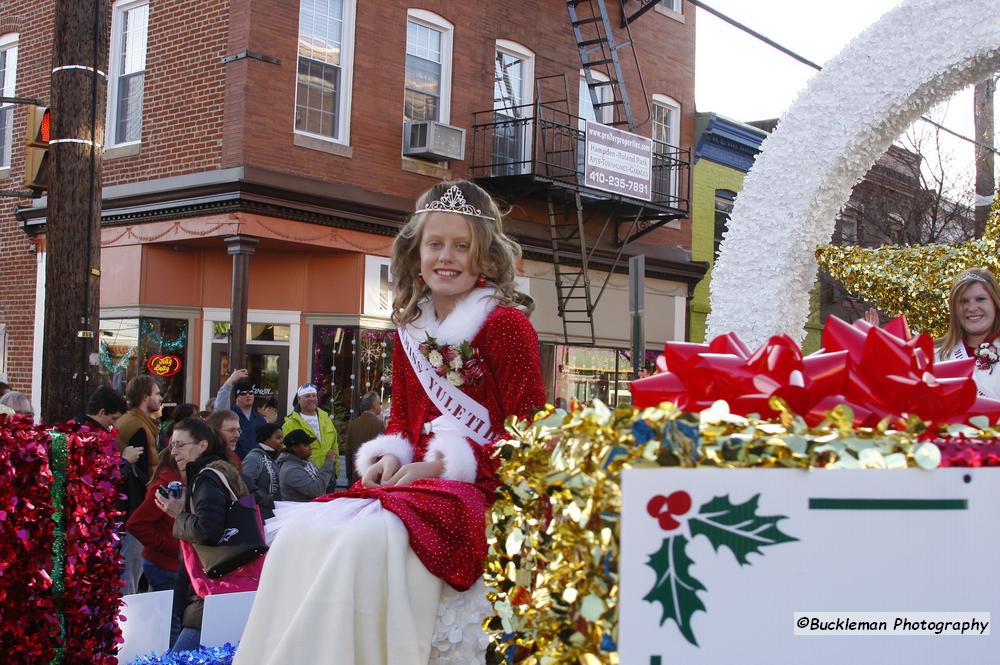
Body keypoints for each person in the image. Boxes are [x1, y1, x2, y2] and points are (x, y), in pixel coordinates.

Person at [235, 180, 546, 665]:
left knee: (364, 538)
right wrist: (387, 455)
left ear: (484, 255)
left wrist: (442, 467)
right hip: (416, 482)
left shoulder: (506, 325)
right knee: (304, 532)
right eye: (435, 244)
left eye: (462, 245)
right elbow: (403, 417)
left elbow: (530, 437)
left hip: (484, 484)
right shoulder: (409, 327)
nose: (447, 256)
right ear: (415, 253)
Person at [155, 417, 256, 652]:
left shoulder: (206, 477)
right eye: (171, 446)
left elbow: (206, 531)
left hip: (211, 588)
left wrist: (177, 514)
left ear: (202, 445)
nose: (174, 452)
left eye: (181, 445)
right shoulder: (219, 471)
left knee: (181, 656)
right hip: (225, 585)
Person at [115, 375, 163, 596]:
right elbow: (141, 472)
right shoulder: (138, 428)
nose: (160, 398)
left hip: (132, 506)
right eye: (157, 394)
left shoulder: (137, 423)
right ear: (145, 397)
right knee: (131, 568)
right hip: (135, 506)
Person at [935, 268, 1000, 398]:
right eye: (963, 301)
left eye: (980, 299)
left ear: (995, 302)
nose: (971, 308)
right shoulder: (934, 355)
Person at [126, 445, 183, 593]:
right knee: (169, 614)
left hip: (173, 564)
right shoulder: (165, 486)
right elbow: (136, 524)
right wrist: (171, 547)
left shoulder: (179, 482)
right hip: (165, 566)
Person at [282, 383, 339, 486]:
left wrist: (336, 472)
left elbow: (334, 447)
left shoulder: (326, 419)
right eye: (307, 396)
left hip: (328, 476)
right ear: (299, 399)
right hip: (306, 478)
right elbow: (287, 453)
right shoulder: (290, 424)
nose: (312, 399)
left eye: (314, 395)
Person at [213, 370, 266, 459]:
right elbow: (219, 408)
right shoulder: (230, 414)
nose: (248, 395)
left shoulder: (260, 419)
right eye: (243, 393)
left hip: (255, 465)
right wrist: (229, 383)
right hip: (233, 461)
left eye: (250, 393)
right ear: (236, 397)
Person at [276, 429, 337, 502]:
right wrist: (328, 463)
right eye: (306, 445)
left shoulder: (306, 460)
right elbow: (317, 491)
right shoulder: (291, 470)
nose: (310, 448)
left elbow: (322, 482)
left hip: (311, 509)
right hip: (300, 510)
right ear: (295, 448)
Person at [242, 422, 283, 519]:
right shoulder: (254, 458)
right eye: (278, 438)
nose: (282, 441)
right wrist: (266, 500)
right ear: (266, 439)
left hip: (272, 510)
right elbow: (246, 485)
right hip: (260, 512)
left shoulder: (275, 457)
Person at [343, 390, 385, 483]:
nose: (380, 406)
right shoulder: (379, 424)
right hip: (372, 477)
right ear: (374, 405)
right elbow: (381, 453)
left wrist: (349, 475)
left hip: (355, 475)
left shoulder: (352, 424)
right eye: (380, 403)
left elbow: (348, 451)